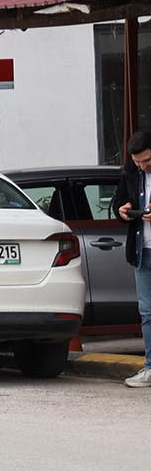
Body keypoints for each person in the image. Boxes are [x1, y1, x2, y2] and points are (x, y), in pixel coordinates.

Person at [110, 130, 151, 387]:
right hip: (142, 251)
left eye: (147, 161)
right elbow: (118, 202)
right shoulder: (131, 172)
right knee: (147, 313)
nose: (143, 166)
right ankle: (150, 367)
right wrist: (122, 210)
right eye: (138, 162)